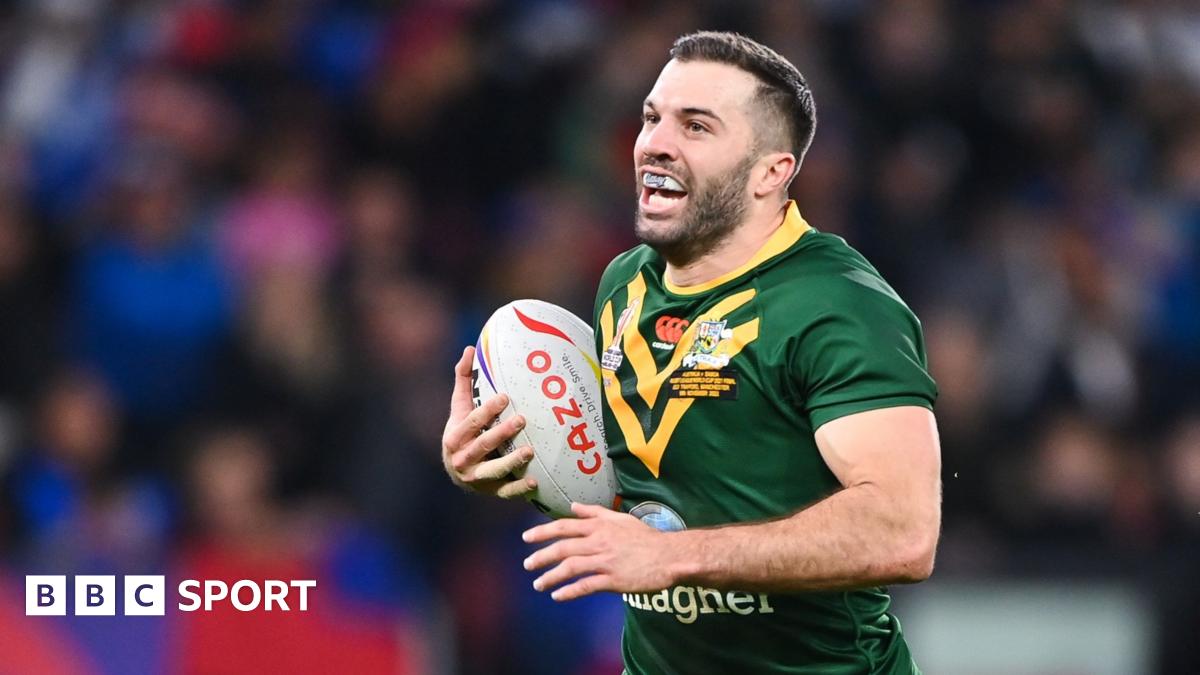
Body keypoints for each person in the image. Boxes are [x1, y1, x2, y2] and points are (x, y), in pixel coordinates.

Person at [441, 31, 941, 674]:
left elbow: (902, 532)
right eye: (652, 118)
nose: (655, 143)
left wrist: (671, 556)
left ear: (771, 172)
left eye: (696, 126)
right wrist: (504, 456)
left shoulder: (839, 306)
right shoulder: (624, 284)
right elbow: (646, 489)